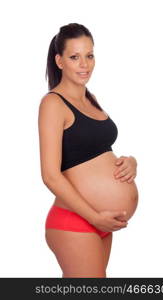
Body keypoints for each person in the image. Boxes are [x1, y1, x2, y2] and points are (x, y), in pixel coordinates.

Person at [38, 23, 138, 278]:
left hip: (101, 222)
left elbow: (96, 151)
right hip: (77, 221)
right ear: (59, 61)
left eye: (89, 55)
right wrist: (94, 217)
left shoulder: (89, 99)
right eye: (75, 57)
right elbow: (50, 175)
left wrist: (131, 162)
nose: (84, 64)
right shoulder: (53, 103)